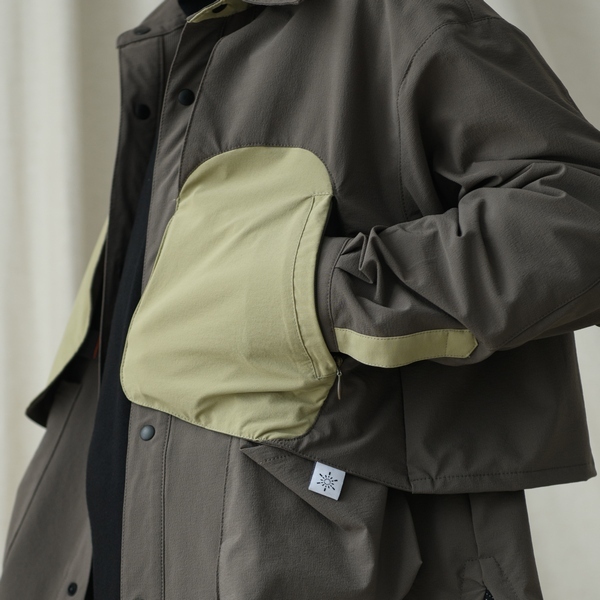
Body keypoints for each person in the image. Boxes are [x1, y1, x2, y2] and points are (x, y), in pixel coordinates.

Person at [2, 0, 600, 598]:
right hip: (97, 557)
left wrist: (320, 293)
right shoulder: (175, 41)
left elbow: (578, 217)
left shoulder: (399, 20)